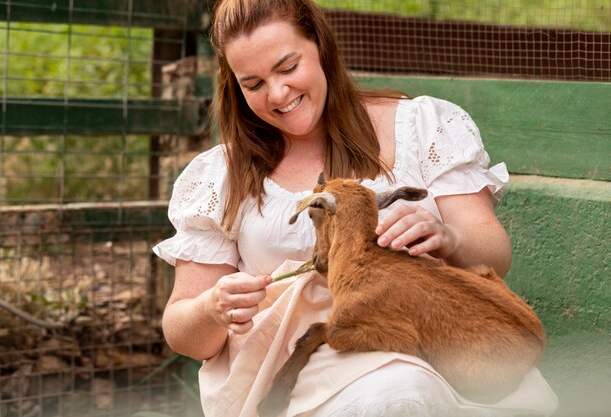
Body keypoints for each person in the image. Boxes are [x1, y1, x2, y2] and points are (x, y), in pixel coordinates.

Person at [153, 0, 558, 416]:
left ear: (321, 46)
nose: (277, 94)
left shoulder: (420, 127)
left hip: (439, 345)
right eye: (253, 84)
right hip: (293, 366)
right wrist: (211, 307)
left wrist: (450, 238)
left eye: (288, 67)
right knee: (396, 390)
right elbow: (185, 334)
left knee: (404, 387)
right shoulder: (221, 174)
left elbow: (495, 254)